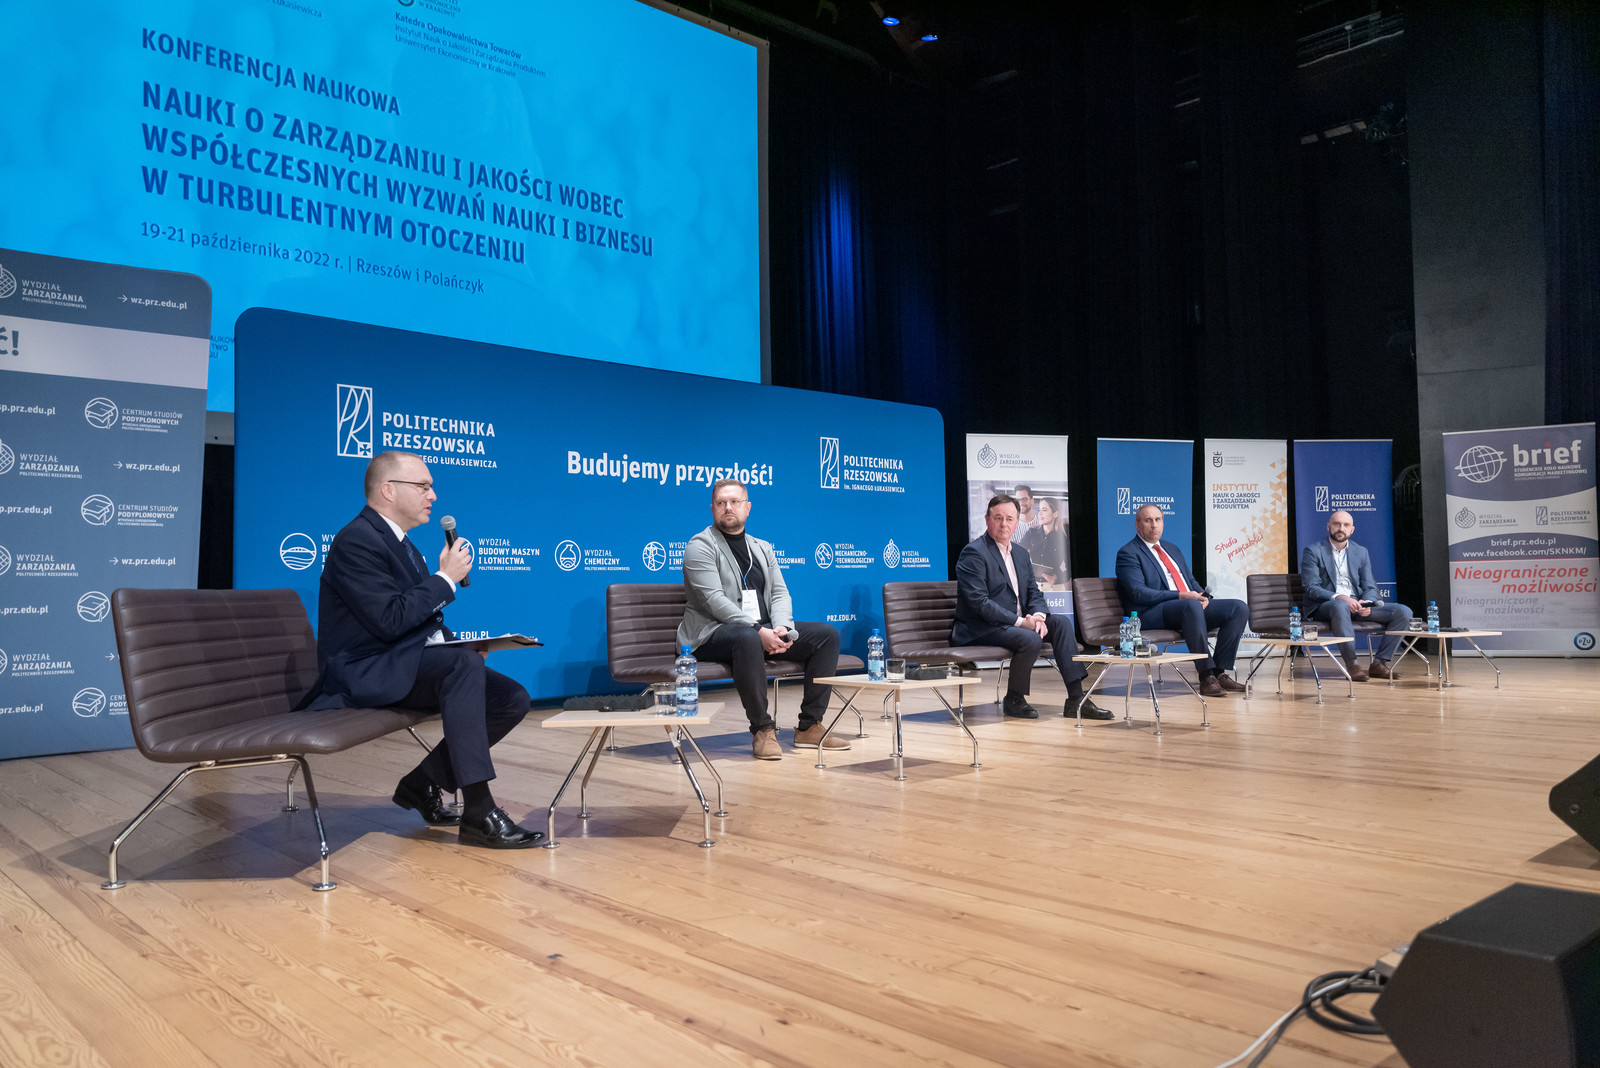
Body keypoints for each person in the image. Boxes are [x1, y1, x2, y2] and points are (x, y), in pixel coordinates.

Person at [306, 450, 542, 849]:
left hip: (397, 661)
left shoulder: (404, 545)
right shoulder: (357, 541)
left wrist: (461, 644)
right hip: (364, 671)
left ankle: (422, 782)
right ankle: (480, 811)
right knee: (460, 667)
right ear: (388, 490)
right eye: (423, 486)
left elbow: (420, 621)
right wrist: (445, 578)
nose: (433, 495)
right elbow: (390, 620)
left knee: (510, 698)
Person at [679, 478, 846, 760]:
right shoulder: (701, 545)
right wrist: (758, 631)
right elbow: (714, 600)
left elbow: (779, 593)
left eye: (734, 502)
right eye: (721, 503)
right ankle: (762, 729)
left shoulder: (762, 547)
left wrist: (782, 628)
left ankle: (809, 726)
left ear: (747, 507)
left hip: (760, 631)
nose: (728, 507)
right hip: (711, 633)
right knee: (747, 637)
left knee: (825, 636)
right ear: (712, 509)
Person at [953, 494, 1113, 720]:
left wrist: (1038, 616)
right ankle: (1014, 699)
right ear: (987, 519)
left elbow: (1033, 592)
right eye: (998, 518)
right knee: (1029, 638)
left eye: (1010, 519)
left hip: (1013, 625)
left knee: (1061, 624)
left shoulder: (1020, 553)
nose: (1004, 524)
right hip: (981, 627)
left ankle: (1077, 699)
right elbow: (979, 603)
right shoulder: (974, 553)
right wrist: (1021, 622)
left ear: (1017, 522)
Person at [1114, 504, 1249, 698]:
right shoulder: (1128, 553)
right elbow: (1138, 593)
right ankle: (1206, 676)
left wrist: (1203, 597)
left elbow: (1190, 581)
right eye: (1148, 520)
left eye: (1158, 520)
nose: (1154, 525)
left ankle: (1219, 672)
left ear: (1163, 522)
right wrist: (1181, 595)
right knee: (1190, 605)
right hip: (1151, 612)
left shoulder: (1172, 548)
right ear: (1137, 524)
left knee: (1238, 608)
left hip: (1187, 607)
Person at [1300, 510, 1412, 680]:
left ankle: (1379, 663)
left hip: (1357, 605)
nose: (1341, 528)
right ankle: (1352, 665)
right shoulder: (1314, 551)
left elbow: (1369, 585)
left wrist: (1368, 602)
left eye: (1346, 525)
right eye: (1336, 524)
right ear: (1328, 526)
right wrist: (1339, 597)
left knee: (1403, 612)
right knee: (1340, 605)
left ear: (1352, 530)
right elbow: (1312, 588)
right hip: (1327, 606)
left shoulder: (1361, 552)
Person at [1020, 496, 1070, 585]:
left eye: (1044, 510)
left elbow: (1069, 567)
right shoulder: (1031, 532)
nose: (1040, 513)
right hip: (1033, 584)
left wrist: (1056, 578)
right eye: (1039, 510)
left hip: (1054, 586)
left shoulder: (1063, 538)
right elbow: (1018, 552)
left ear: (1055, 514)